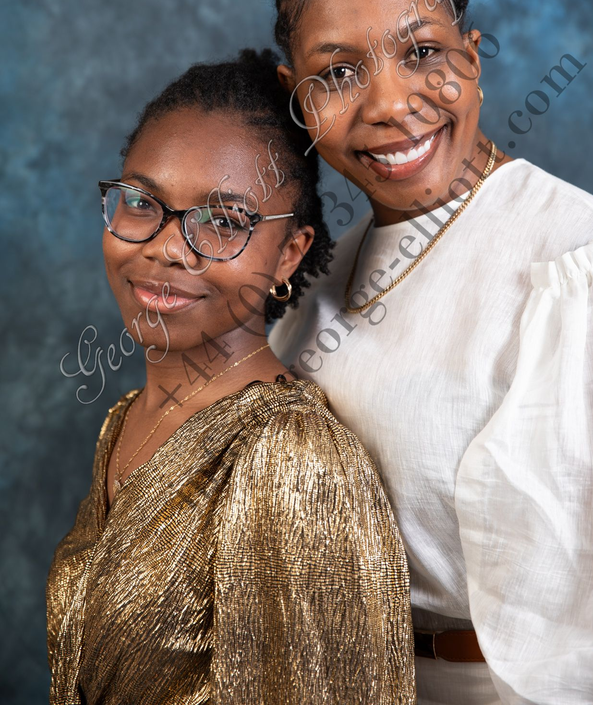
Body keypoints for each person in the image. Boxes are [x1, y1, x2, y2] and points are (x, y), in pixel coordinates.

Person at [268, 0, 593, 705]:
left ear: (472, 58)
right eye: (338, 73)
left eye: (423, 53)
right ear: (295, 97)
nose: (389, 103)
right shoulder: (312, 284)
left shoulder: (588, 265)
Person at [46, 49, 417, 705]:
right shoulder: (126, 417)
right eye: (142, 202)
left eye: (222, 221)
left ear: (290, 254)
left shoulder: (292, 458)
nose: (166, 247)